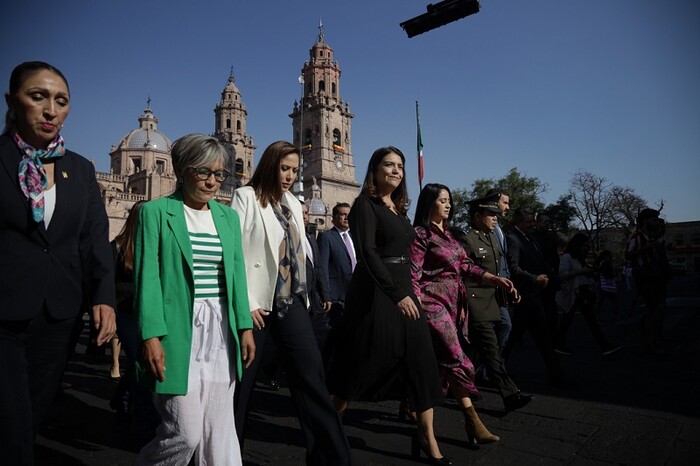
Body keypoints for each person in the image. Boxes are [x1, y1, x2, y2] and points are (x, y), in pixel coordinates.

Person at [0, 61, 116, 465]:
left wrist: (104, 297)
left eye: (61, 101)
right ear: (12, 101)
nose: (51, 110)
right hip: (4, 315)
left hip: (58, 316)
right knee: (12, 424)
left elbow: (94, 240)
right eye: (39, 97)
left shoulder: (79, 169)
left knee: (31, 417)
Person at [135, 134, 255, 465]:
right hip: (177, 329)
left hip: (221, 331)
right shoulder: (156, 212)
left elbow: (236, 275)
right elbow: (148, 277)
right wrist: (151, 335)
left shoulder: (228, 217)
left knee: (219, 429)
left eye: (220, 174)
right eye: (204, 172)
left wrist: (244, 325)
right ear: (182, 169)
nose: (213, 181)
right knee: (185, 432)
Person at [230, 140, 351, 465]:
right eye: (285, 168)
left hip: (293, 302)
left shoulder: (294, 205)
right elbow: (235, 256)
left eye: (294, 170)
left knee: (312, 379)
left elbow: (301, 256)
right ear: (270, 165)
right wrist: (246, 304)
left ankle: (332, 458)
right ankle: (228, 454)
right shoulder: (245, 198)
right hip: (257, 306)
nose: (289, 175)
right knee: (243, 385)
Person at [329, 147, 451, 465]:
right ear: (375, 169)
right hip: (376, 292)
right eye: (389, 165)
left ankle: (428, 439)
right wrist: (396, 294)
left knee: (422, 362)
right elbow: (368, 253)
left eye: (400, 166)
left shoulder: (398, 209)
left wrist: (413, 290)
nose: (396, 171)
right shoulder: (363, 205)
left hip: (404, 289)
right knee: (361, 363)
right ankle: (327, 427)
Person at [410, 184, 515, 447]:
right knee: (458, 358)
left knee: (440, 363)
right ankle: (473, 419)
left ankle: (413, 403)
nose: (447, 205)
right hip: (431, 304)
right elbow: (412, 272)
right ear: (428, 203)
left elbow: (466, 265)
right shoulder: (421, 235)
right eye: (442, 200)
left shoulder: (451, 236)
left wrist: (494, 278)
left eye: (449, 200)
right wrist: (415, 302)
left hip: (455, 305)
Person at [455, 199, 533, 412]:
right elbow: (464, 271)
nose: (495, 218)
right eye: (490, 215)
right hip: (475, 303)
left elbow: (499, 271)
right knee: (491, 351)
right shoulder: (467, 239)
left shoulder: (493, 238)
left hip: (493, 301)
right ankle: (510, 395)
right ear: (477, 217)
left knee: (468, 352)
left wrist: (508, 288)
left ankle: (458, 386)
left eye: (495, 214)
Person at [109, 200, 161, 441]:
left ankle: (122, 397)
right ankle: (144, 425)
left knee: (140, 362)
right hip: (126, 312)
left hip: (147, 311)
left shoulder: (155, 245)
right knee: (140, 361)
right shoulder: (117, 247)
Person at [504, 208, 570, 387]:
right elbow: (514, 268)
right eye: (529, 221)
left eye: (533, 221)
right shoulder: (513, 239)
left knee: (523, 336)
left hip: (535, 296)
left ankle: (494, 369)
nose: (533, 224)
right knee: (537, 337)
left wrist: (556, 281)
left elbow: (543, 263)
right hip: (526, 296)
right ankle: (492, 370)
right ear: (519, 222)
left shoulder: (531, 238)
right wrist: (535, 279)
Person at [555, 233, 621, 357]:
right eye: (584, 245)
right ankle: (602, 344)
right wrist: (582, 271)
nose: (586, 248)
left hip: (581, 291)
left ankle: (602, 344)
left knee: (580, 319)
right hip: (575, 292)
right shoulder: (568, 257)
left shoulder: (578, 258)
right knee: (578, 319)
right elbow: (562, 274)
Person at [625, 208, 670, 354]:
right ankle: (650, 340)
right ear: (645, 220)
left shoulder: (652, 237)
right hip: (644, 275)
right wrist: (646, 248)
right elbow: (628, 255)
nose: (656, 222)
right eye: (653, 219)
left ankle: (652, 335)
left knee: (658, 307)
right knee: (656, 307)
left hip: (655, 274)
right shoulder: (636, 237)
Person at [317, 202, 355, 373]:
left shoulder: (355, 236)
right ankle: (322, 373)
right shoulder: (327, 237)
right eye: (342, 214)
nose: (346, 217)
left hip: (355, 295)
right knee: (330, 338)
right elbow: (322, 268)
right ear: (333, 218)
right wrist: (326, 295)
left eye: (348, 214)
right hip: (336, 296)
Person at [301, 201, 333, 356]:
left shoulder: (311, 238)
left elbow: (319, 268)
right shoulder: (286, 236)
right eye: (300, 212)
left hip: (315, 298)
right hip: (298, 297)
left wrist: (326, 295)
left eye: (306, 213)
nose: (304, 216)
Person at [532, 211, 561, 345]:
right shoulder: (532, 237)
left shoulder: (551, 237)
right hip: (539, 277)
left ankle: (552, 337)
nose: (546, 224)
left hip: (551, 277)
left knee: (550, 310)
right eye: (544, 222)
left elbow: (555, 257)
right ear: (537, 222)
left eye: (548, 222)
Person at [594, 249, 620, 321]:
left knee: (600, 301)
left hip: (601, 283)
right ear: (606, 256)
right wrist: (613, 274)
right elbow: (606, 273)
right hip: (607, 284)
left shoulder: (601, 262)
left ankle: (596, 316)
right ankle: (617, 317)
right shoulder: (606, 263)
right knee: (614, 301)